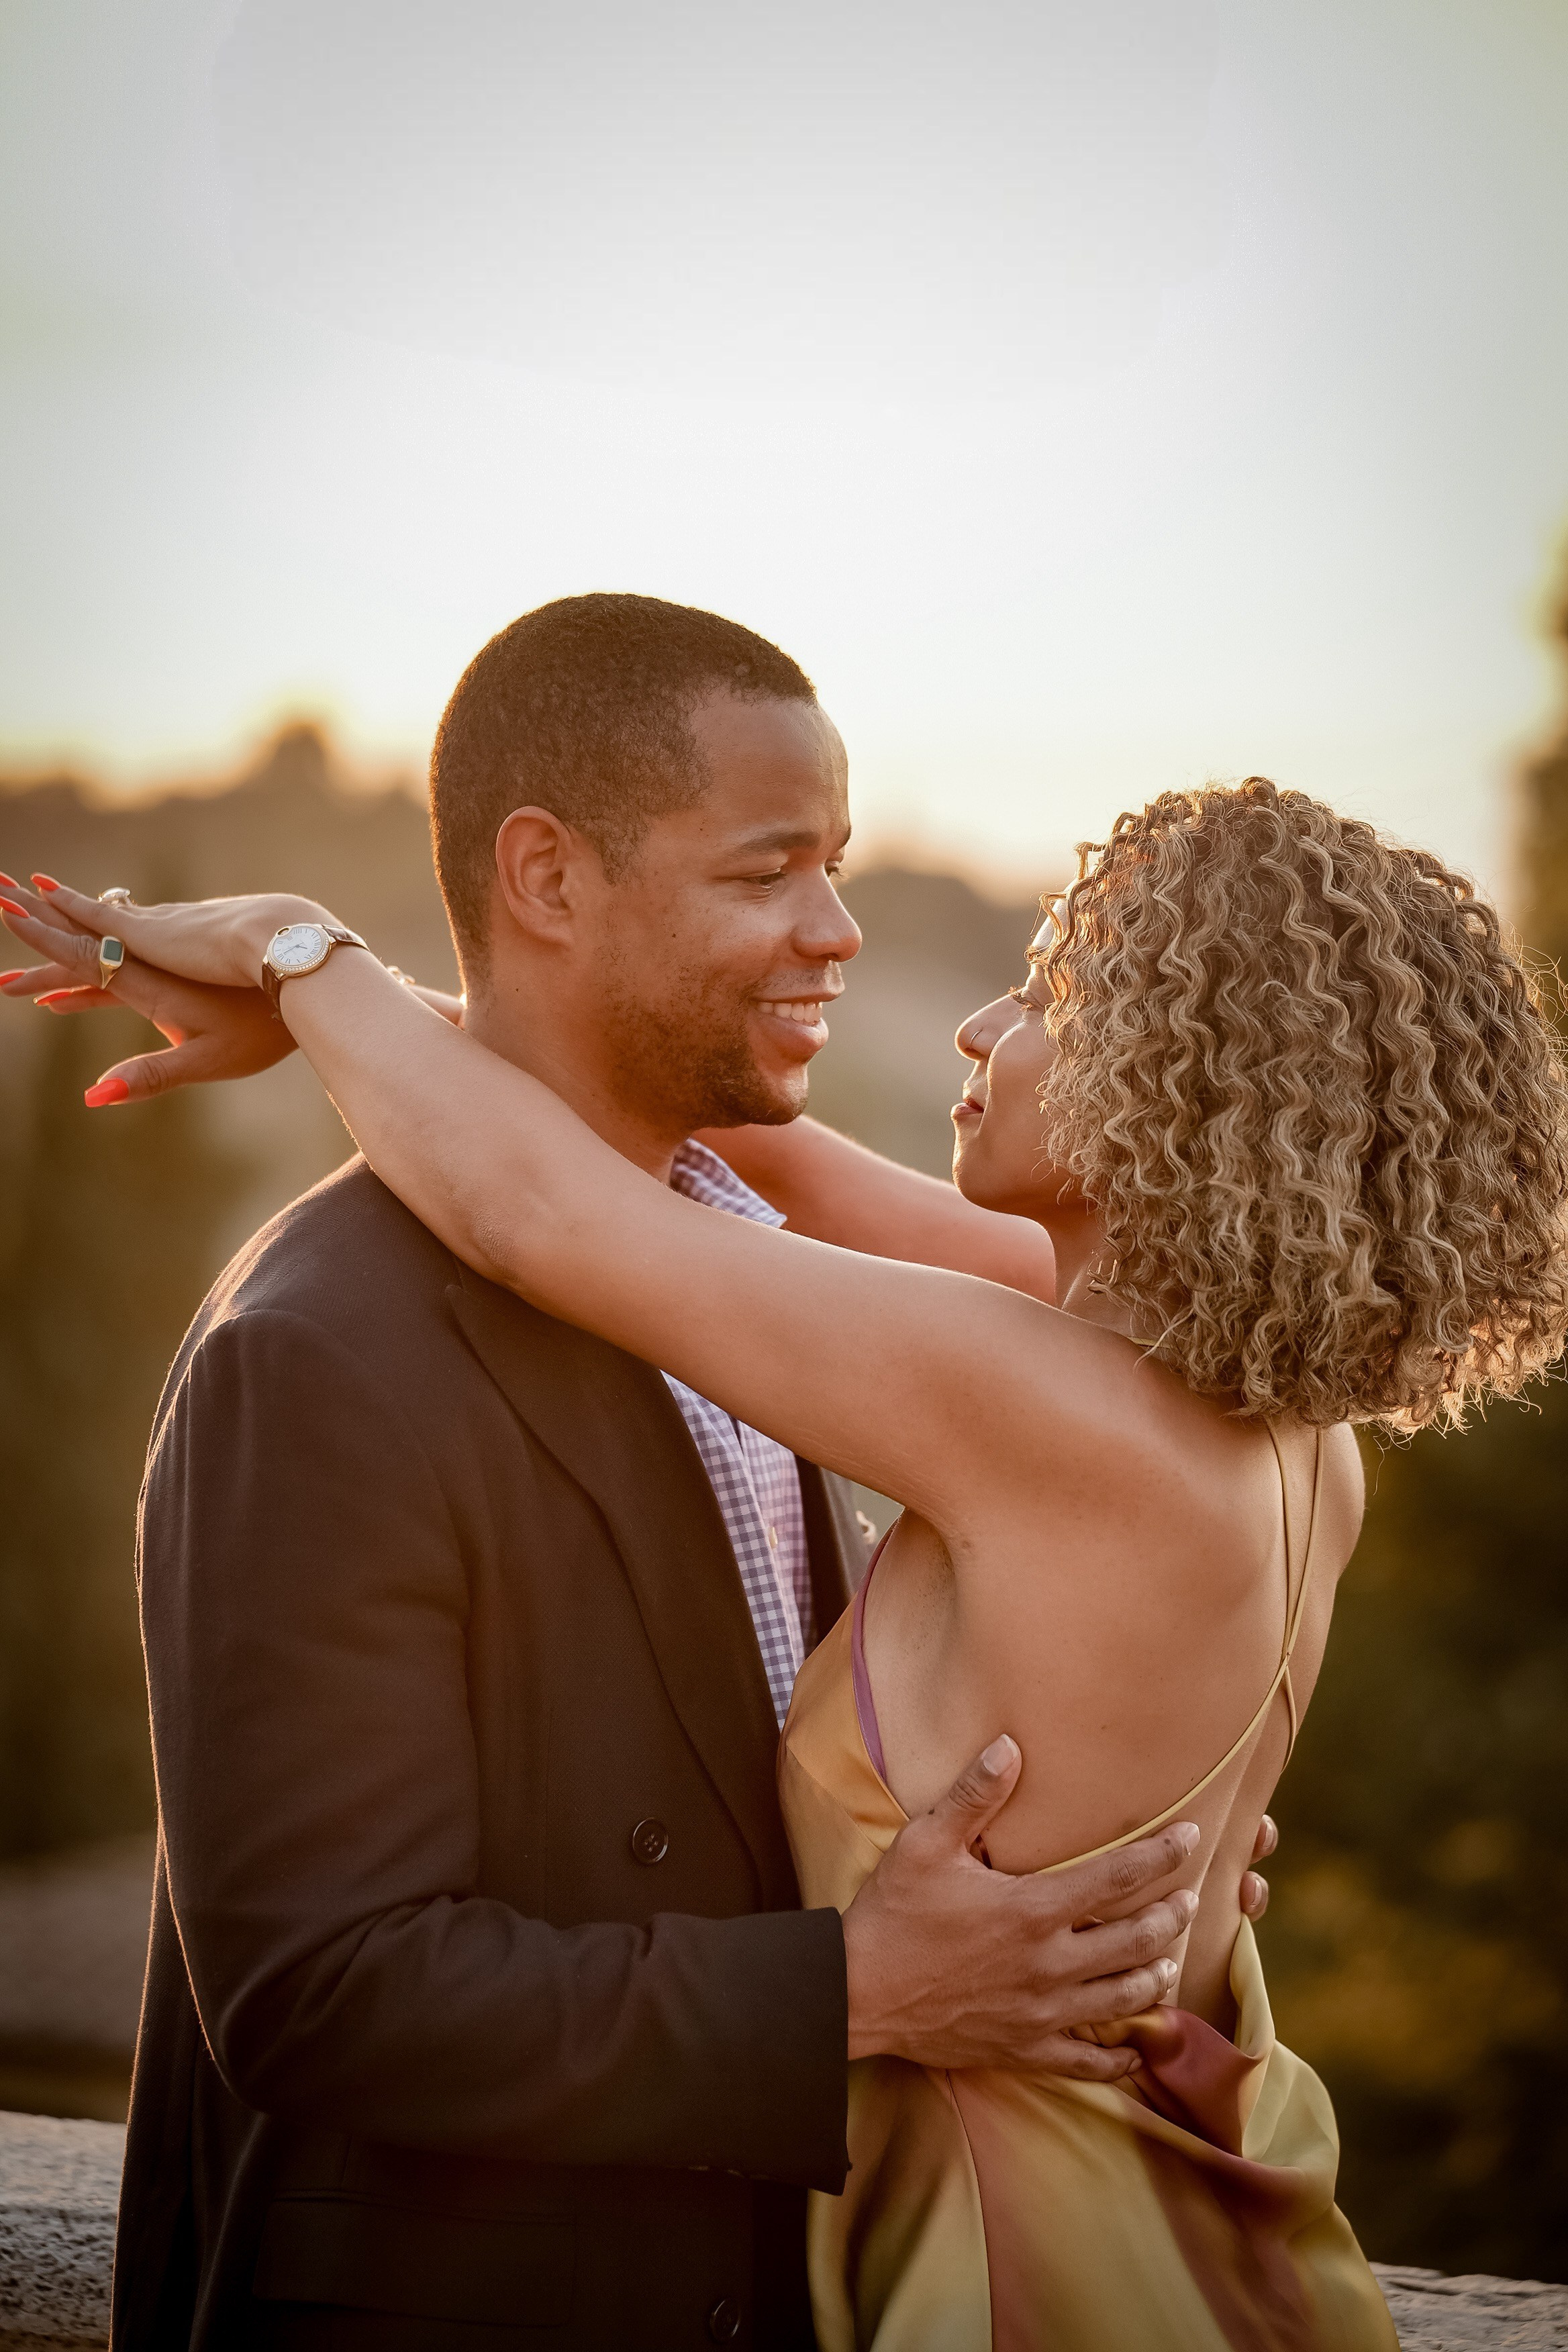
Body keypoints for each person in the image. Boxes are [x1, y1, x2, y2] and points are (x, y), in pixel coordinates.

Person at [15, 748, 1566, 2349]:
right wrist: (403, 1021)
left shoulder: (1044, 1414)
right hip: (1184, 2222)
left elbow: (539, 1215)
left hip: (1013, 2260)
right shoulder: (1278, 1437)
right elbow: (746, 1147)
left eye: (1051, 995)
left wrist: (296, 945)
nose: (979, 1026)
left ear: (1187, 1078)